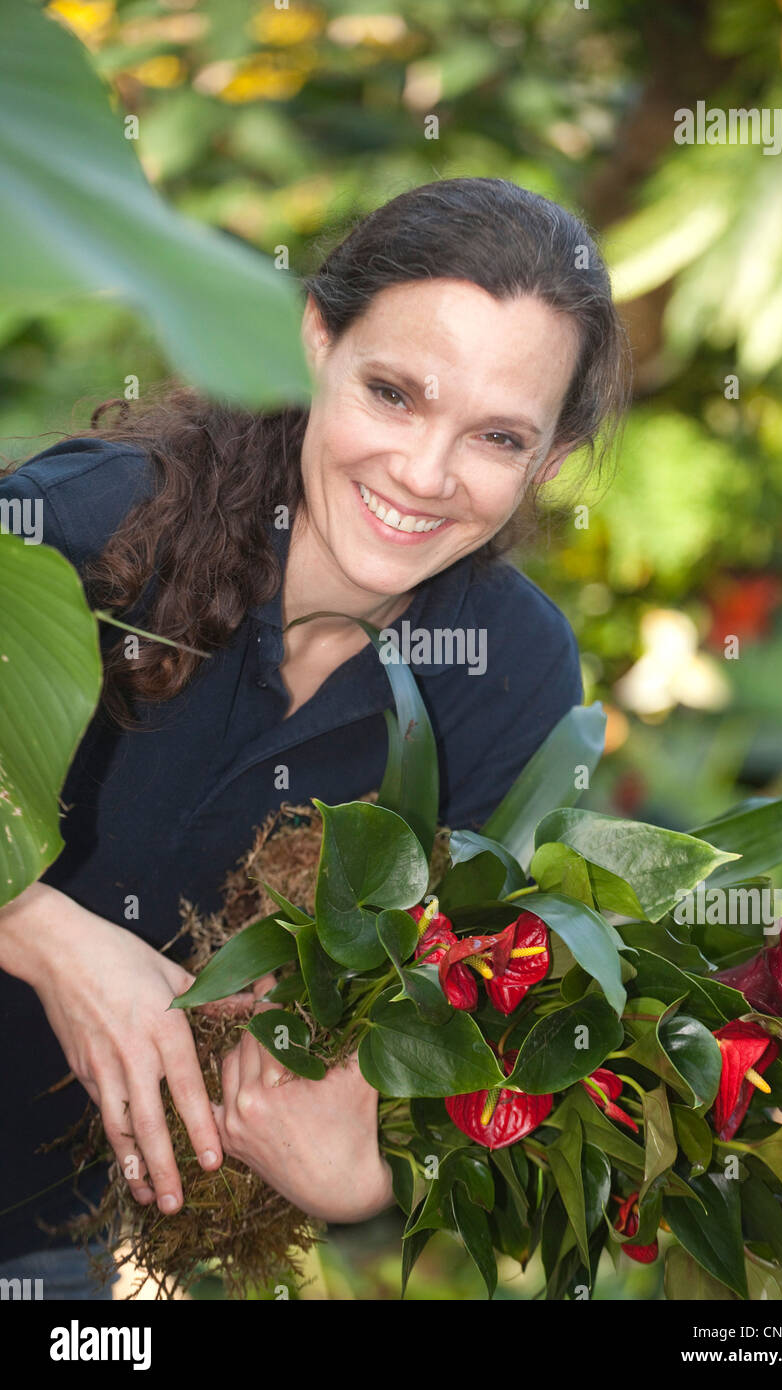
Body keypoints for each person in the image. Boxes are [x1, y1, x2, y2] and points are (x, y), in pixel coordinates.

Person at [0, 177, 629, 1297]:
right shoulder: (86, 529)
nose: (424, 474)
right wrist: (43, 928)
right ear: (315, 343)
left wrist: (369, 1173)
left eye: (494, 435)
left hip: (58, 1241)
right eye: (392, 394)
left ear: (548, 457)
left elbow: (467, 1017)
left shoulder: (511, 672)